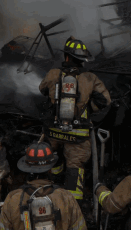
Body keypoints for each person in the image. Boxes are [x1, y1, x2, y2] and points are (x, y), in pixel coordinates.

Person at [39, 37, 111, 203]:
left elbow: (42, 89)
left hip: (54, 130)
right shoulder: (90, 78)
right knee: (75, 165)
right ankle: (73, 203)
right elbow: (105, 101)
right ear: (82, 60)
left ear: (66, 57)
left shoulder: (53, 74)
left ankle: (54, 183)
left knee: (53, 155)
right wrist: (86, 109)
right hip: (77, 133)